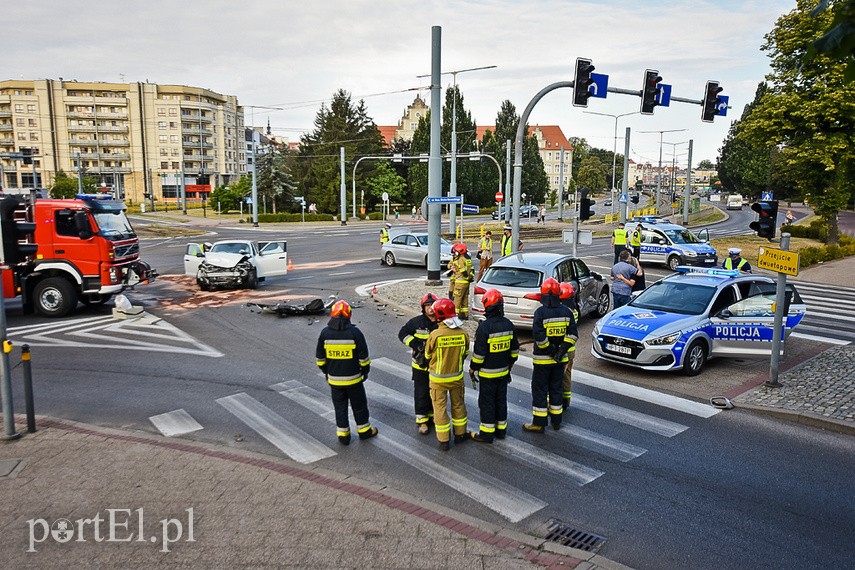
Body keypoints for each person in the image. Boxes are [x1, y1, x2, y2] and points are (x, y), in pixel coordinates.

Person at [315, 300, 378, 445]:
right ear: (349, 314)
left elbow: (320, 359)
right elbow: (364, 358)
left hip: (335, 381)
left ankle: (343, 436)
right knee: (359, 406)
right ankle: (364, 431)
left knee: (340, 407)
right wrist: (365, 371)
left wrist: (327, 372)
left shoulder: (325, 333)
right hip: (354, 380)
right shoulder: (355, 333)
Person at [523, 278, 577, 433]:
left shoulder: (540, 313)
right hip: (560, 361)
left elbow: (540, 338)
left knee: (540, 390)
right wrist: (560, 351)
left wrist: (552, 351)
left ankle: (539, 423)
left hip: (543, 361)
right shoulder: (567, 312)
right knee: (556, 389)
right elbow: (573, 335)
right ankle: (556, 421)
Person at [469, 289, 519, 443]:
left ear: (487, 307)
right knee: (501, 401)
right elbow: (514, 351)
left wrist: (473, 368)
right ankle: (501, 431)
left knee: (487, 403)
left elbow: (479, 354)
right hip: (503, 373)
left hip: (487, 375)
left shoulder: (485, 327)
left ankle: (486, 434)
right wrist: (509, 365)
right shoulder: (508, 324)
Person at [425, 299, 470, 451]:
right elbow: (464, 355)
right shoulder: (463, 334)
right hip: (457, 378)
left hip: (438, 380)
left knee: (440, 408)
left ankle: (444, 440)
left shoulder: (435, 335)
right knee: (458, 405)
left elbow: (427, 355)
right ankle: (460, 434)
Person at [398, 293, 439, 434]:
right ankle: (422, 421)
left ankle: (433, 417)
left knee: (435, 393)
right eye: (427, 306)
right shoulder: (416, 322)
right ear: (423, 308)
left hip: (437, 366)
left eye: (432, 305)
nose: (430, 309)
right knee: (421, 393)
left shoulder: (442, 322)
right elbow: (402, 334)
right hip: (420, 366)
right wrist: (415, 345)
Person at [558, 282, 579, 411]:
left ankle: (555, 403)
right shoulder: (574, 309)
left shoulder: (564, 312)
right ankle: (566, 400)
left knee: (557, 377)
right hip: (571, 349)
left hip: (562, 349)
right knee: (567, 376)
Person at [450, 243, 472, 320]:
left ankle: (455, 316)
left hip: (460, 283)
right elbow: (471, 269)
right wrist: (469, 277)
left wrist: (455, 270)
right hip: (467, 283)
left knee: (457, 300)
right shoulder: (468, 259)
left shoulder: (460, 259)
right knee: (465, 299)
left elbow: (462, 271)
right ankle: (465, 315)